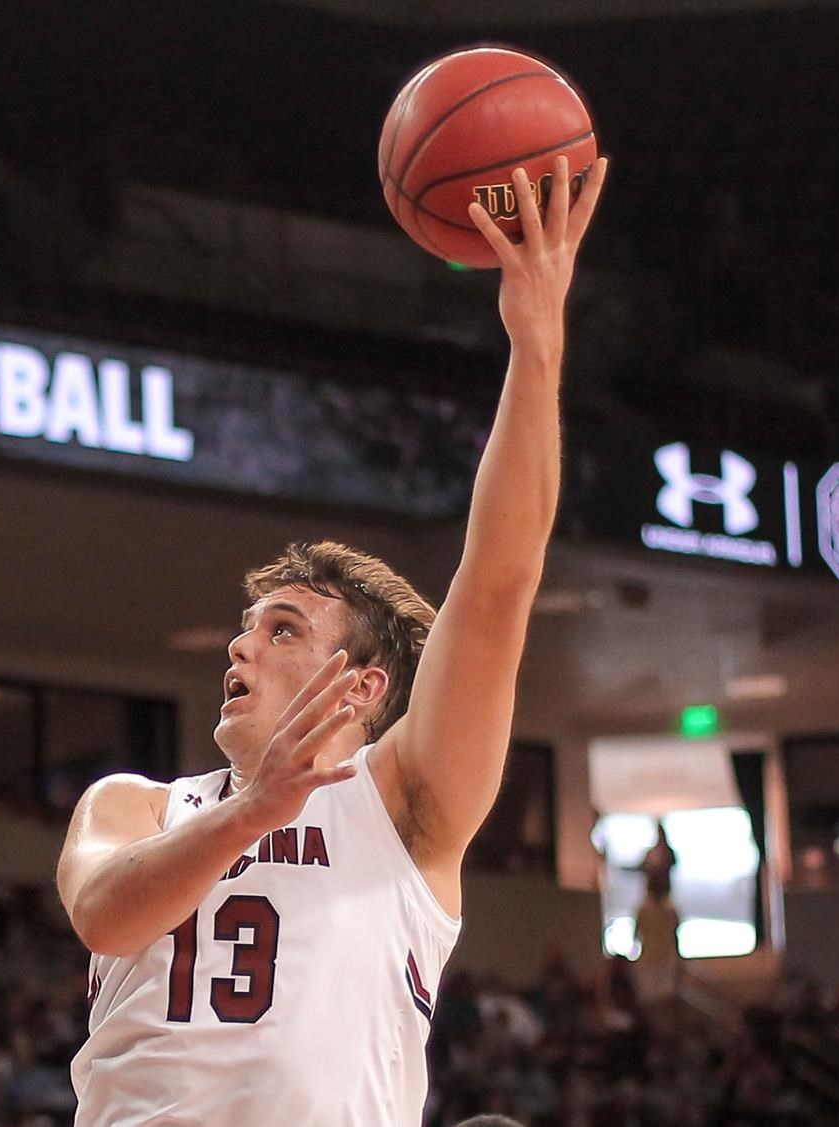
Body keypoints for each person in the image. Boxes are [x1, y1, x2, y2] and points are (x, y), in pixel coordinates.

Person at [56, 154, 609, 1126]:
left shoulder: (404, 802)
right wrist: (247, 812)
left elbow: (498, 583)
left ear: (360, 687)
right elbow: (104, 912)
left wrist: (536, 341)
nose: (240, 650)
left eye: (281, 629)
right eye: (241, 631)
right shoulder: (136, 807)